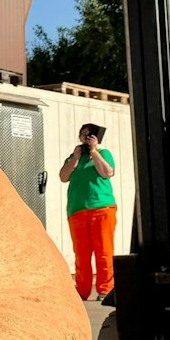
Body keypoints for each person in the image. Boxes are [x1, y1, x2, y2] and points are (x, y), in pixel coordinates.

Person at [59, 124, 116, 300]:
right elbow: (63, 177)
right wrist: (75, 158)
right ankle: (82, 290)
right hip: (77, 210)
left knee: (104, 251)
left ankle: (105, 289)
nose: (85, 138)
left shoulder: (103, 153)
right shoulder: (73, 157)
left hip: (101, 208)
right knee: (81, 254)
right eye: (82, 135)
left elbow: (107, 172)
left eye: (88, 135)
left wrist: (94, 151)